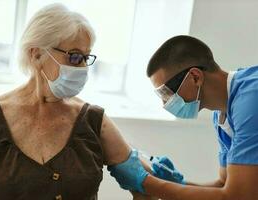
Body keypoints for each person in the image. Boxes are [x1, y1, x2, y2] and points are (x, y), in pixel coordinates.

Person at [0, 4, 182, 200]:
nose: (83, 67)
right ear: (36, 54)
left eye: (86, 58)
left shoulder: (94, 121)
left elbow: (144, 186)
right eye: (74, 57)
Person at [108, 35, 258, 200]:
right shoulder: (221, 115)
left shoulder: (251, 99)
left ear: (195, 77)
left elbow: (239, 195)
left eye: (166, 93)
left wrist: (146, 183)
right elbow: (224, 184)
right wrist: (177, 184)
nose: (165, 103)